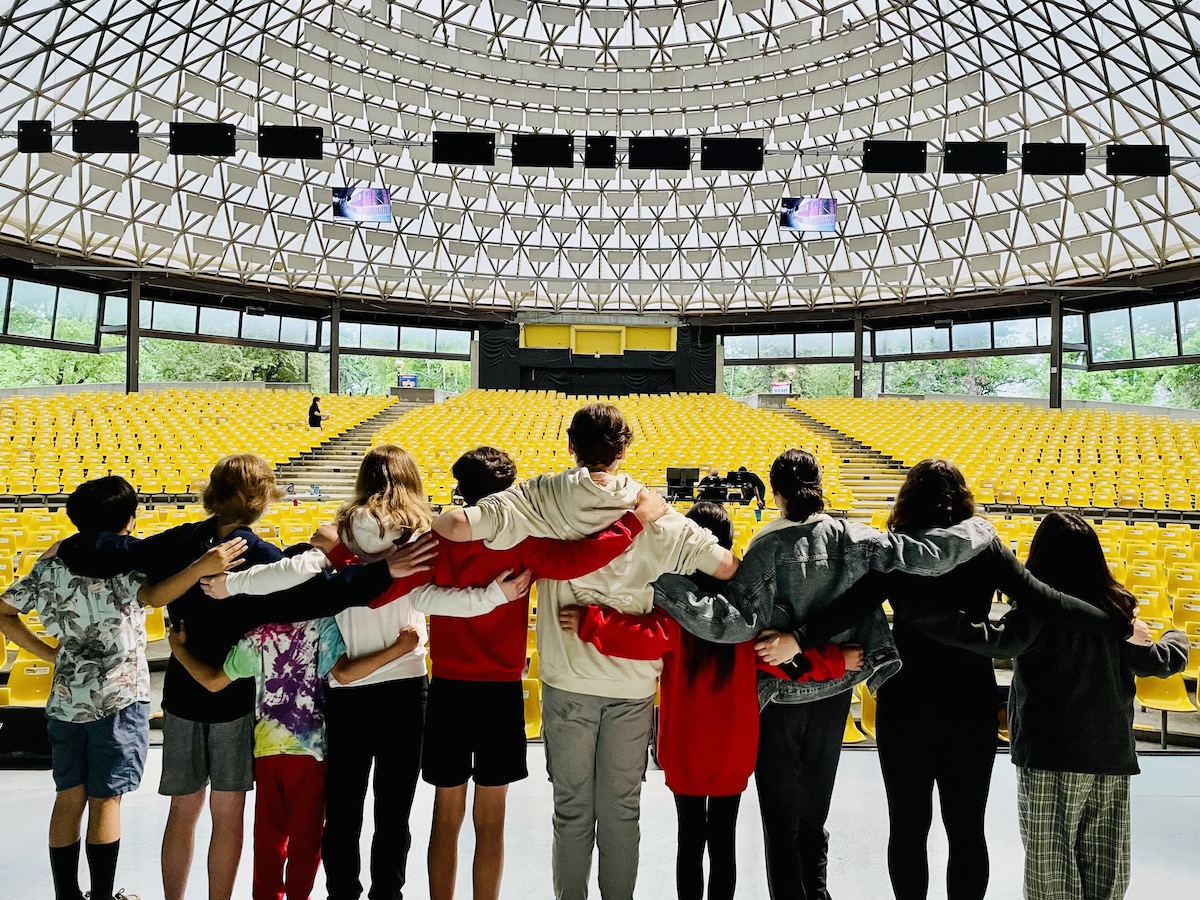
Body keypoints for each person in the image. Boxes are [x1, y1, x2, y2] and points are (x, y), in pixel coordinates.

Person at [202, 444, 667, 900]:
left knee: (407, 815)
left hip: (434, 690)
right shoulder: (509, 543)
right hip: (472, 691)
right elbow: (581, 558)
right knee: (467, 820)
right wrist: (634, 520)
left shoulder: (420, 541)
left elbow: (351, 585)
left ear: (459, 489)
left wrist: (243, 585)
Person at [650, 449, 1000, 900]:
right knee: (815, 816)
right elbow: (924, 555)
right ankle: (817, 893)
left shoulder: (764, 548)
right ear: (820, 487)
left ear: (774, 494)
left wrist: (658, 584)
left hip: (780, 699)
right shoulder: (851, 537)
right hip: (837, 689)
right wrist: (976, 527)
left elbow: (736, 627)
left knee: (780, 821)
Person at [74, 454, 424, 900]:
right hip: (239, 700)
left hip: (183, 692)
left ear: (212, 494)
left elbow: (128, 556)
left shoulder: (184, 541)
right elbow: (319, 598)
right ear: (260, 500)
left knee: (182, 812)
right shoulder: (262, 559)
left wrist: (71, 546)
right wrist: (370, 568)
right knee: (229, 814)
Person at [799, 460, 1149, 900]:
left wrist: (797, 640)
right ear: (962, 498)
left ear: (908, 500)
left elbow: (846, 608)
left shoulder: (899, 552)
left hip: (907, 703)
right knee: (967, 830)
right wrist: (1116, 625)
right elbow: (1049, 601)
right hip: (969, 703)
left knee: (907, 828)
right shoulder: (985, 548)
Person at [431, 403, 738, 900]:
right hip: (633, 685)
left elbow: (458, 527)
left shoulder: (545, 495)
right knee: (622, 811)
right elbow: (725, 566)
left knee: (571, 810)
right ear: (624, 451)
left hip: (567, 680)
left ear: (571, 446)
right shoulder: (655, 511)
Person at [559, 502, 860, 900]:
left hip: (683, 749)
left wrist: (590, 621)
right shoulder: (748, 615)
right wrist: (838, 660)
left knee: (689, 843)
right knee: (723, 843)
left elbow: (640, 635)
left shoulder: (676, 610)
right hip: (733, 751)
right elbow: (784, 662)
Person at [894, 511, 1185, 900]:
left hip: (1049, 755)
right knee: (1106, 874)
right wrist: (1175, 635)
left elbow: (995, 642)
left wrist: (924, 613)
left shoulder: (1035, 613)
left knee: (1052, 877)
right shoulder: (1119, 612)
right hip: (1110, 756)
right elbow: (1158, 661)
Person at [0, 476, 244, 900]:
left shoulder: (51, 565)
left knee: (68, 797)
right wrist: (200, 568)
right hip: (119, 698)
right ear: (129, 520)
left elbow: (4, 613)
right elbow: (154, 596)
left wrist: (48, 653)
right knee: (106, 799)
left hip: (65, 700)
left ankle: (67, 896)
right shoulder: (125, 565)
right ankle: (103, 895)